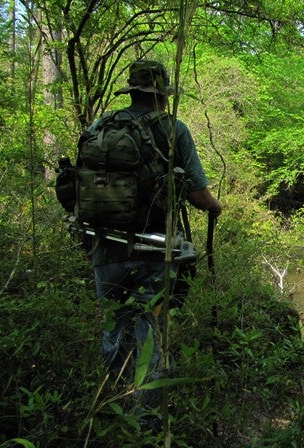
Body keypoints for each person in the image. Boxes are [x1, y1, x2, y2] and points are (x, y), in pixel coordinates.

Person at [88, 60, 222, 416]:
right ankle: (144, 423)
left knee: (114, 326)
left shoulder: (101, 125)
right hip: (152, 251)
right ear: (162, 96)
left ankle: (111, 406)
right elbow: (197, 194)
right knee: (148, 332)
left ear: (132, 91)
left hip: (104, 248)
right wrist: (215, 207)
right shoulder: (173, 129)